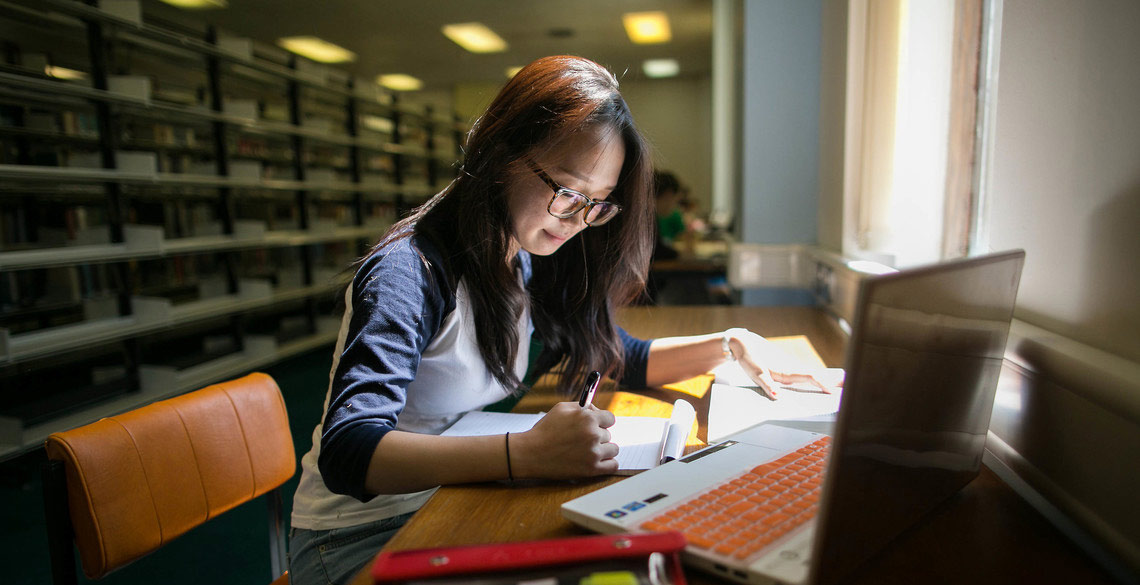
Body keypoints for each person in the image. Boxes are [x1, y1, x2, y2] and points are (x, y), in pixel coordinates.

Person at [287, 55, 835, 585]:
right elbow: (349, 450)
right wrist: (523, 454)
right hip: (357, 536)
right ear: (502, 154)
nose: (578, 220)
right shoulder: (410, 270)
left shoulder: (522, 253)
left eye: (597, 203)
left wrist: (732, 342)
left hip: (451, 495)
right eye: (569, 192)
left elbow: (622, 357)